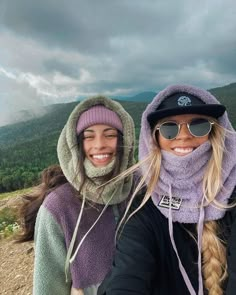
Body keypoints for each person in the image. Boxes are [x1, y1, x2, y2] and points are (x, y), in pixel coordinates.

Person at [98, 84, 236, 295]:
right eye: (169, 128)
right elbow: (128, 273)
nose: (183, 136)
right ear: (155, 138)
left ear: (215, 133)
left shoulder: (233, 194)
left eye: (198, 125)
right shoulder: (145, 203)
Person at [17, 95, 136, 295]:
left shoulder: (138, 187)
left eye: (110, 134)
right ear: (75, 143)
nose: (99, 144)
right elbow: (48, 288)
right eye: (88, 136)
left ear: (125, 140)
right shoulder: (58, 206)